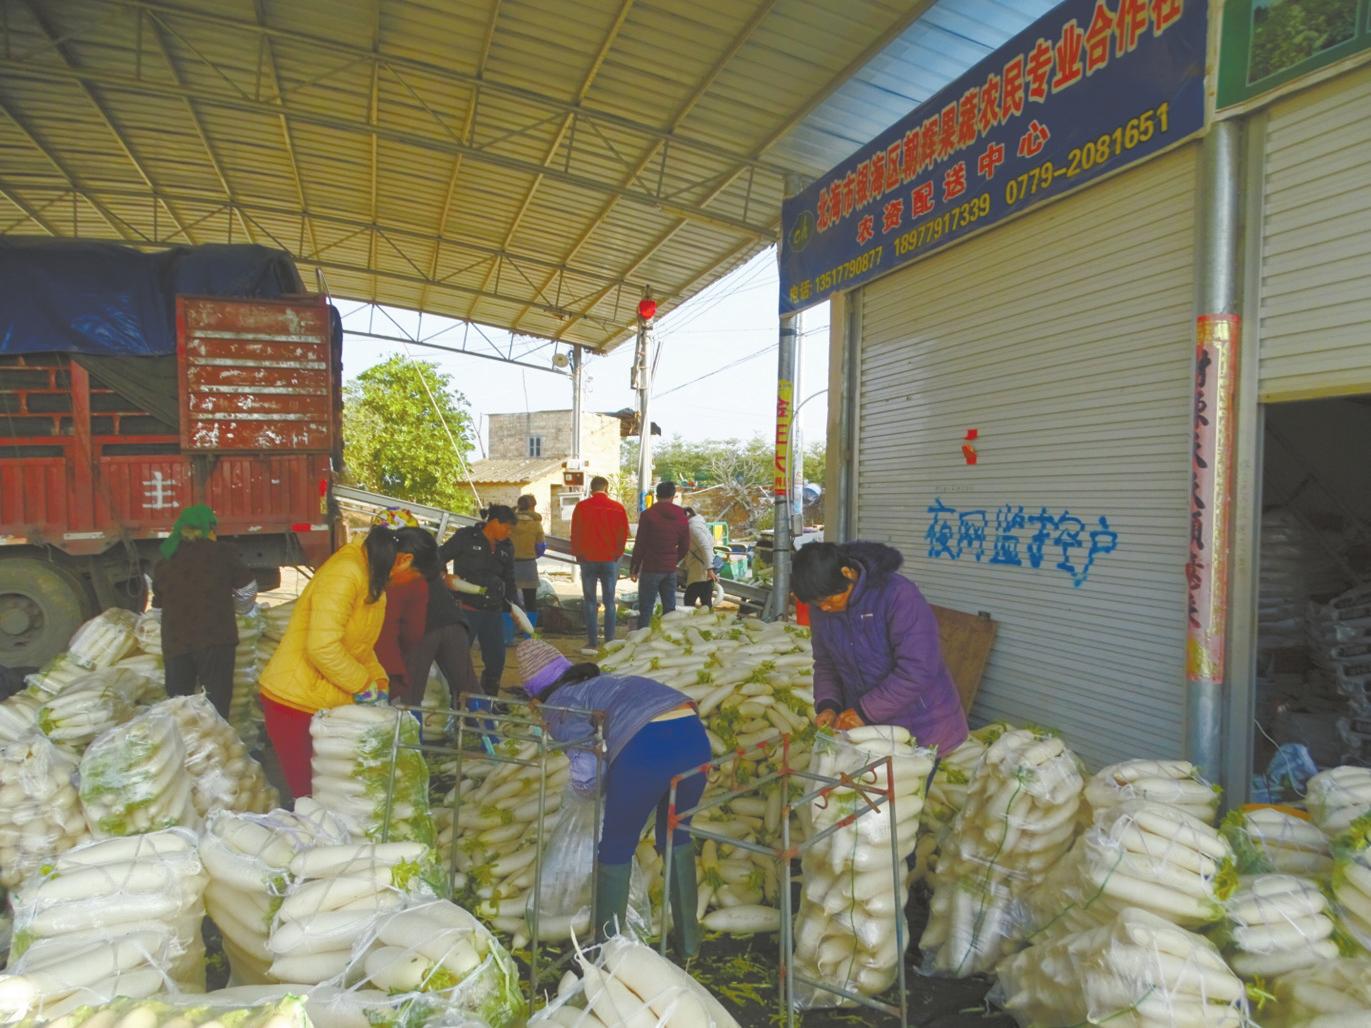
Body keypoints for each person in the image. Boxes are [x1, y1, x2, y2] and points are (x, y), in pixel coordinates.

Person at [516, 638, 708, 957]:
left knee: (616, 847)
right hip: (694, 740)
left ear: (535, 694)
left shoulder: (559, 707)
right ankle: (689, 941)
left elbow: (588, 774)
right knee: (676, 835)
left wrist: (587, 797)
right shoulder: (600, 683)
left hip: (646, 751)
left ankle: (607, 951)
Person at [259, 526, 400, 798]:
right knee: (312, 794)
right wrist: (361, 684)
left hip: (323, 699)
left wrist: (378, 679)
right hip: (294, 699)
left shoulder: (372, 578)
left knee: (333, 793)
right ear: (403, 559)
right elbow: (322, 647)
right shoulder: (346, 573)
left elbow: (360, 644)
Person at [791, 541, 968, 755]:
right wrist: (829, 705)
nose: (824, 608)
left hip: (922, 724)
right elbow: (826, 663)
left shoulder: (898, 595)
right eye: (818, 604)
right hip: (869, 729)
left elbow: (918, 670)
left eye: (829, 600)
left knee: (909, 786)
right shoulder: (822, 609)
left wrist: (864, 711)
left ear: (847, 573)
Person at [151, 504, 257, 719]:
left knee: (179, 705)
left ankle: (185, 747)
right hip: (215, 638)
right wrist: (240, 609)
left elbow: (157, 607)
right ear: (208, 529)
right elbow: (247, 588)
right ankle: (216, 747)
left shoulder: (165, 559)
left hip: (176, 642)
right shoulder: (222, 553)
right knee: (216, 703)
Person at [395, 525, 479, 709]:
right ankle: (489, 734)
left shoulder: (401, 570)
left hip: (423, 631)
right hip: (454, 623)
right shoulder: (431, 563)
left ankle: (411, 737)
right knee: (468, 687)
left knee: (410, 694)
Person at [439, 506, 520, 696]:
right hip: (466, 609)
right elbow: (438, 555)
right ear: (494, 522)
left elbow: (509, 578)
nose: (509, 533)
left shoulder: (506, 546)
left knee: (496, 659)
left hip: (493, 611)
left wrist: (514, 606)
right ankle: (455, 700)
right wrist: (445, 577)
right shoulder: (466, 537)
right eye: (507, 528)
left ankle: (488, 701)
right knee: (457, 657)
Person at [370, 509, 430, 707]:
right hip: (383, 665)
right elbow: (413, 632)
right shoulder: (412, 580)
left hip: (352, 663)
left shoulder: (361, 566)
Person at [570, 476, 629, 656]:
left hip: (588, 560)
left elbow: (575, 533)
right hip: (610, 560)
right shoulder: (618, 508)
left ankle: (592, 641)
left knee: (589, 601)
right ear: (607, 488)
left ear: (591, 488)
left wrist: (579, 554)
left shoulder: (581, 507)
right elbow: (623, 534)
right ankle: (610, 640)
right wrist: (616, 554)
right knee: (609, 601)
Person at [630, 481, 689, 628]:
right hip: (670, 570)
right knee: (669, 609)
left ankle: (642, 640)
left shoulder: (648, 515)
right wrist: (674, 559)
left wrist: (634, 567)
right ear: (673, 496)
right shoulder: (681, 515)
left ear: (656, 496)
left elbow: (640, 544)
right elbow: (685, 545)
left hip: (651, 567)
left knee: (646, 609)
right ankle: (667, 638)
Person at [510, 494, 547, 623]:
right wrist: (533, 554)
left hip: (510, 565)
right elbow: (541, 547)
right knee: (531, 602)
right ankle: (530, 634)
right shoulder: (536, 525)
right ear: (532, 506)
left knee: (510, 602)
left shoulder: (509, 523)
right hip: (529, 565)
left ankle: (510, 633)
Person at [679, 507, 718, 609]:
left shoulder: (693, 528)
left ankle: (694, 622)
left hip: (700, 572)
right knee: (705, 603)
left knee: (689, 601)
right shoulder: (699, 524)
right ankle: (707, 621)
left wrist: (709, 569)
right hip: (703, 571)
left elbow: (705, 547)